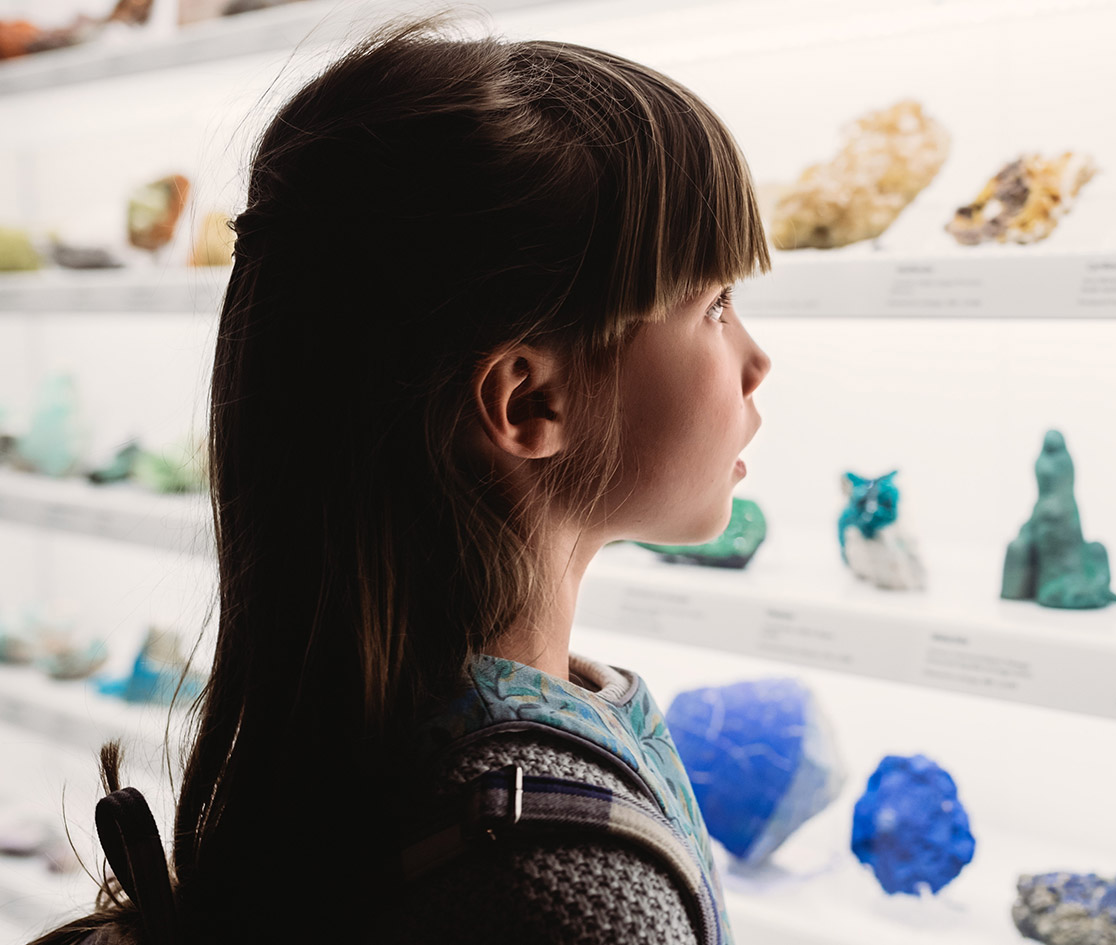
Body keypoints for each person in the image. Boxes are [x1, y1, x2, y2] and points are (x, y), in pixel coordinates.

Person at [30, 11, 770, 945]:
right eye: (716, 305)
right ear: (527, 401)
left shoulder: (364, 728)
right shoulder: (567, 891)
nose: (756, 361)